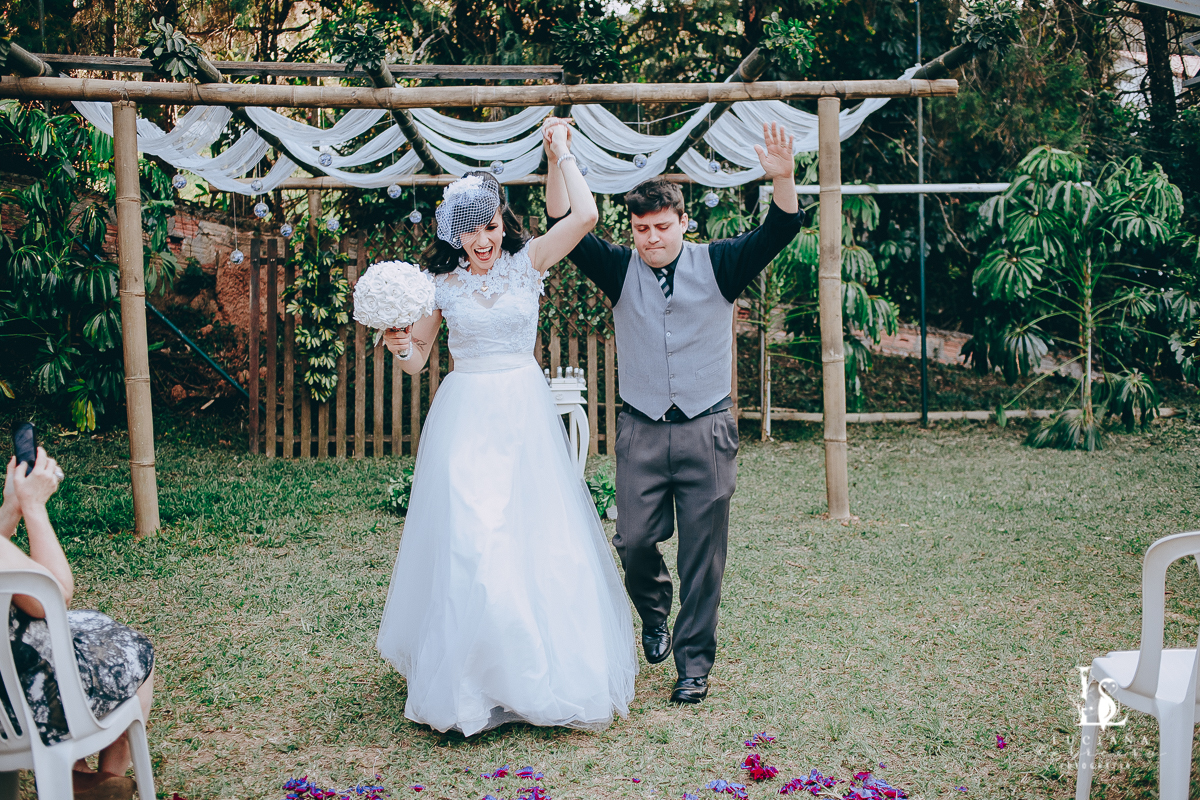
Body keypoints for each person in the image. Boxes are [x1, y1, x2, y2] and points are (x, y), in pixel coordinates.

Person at [375, 125, 637, 736]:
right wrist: (398, 344)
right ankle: (473, 684)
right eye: (470, 230)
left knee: (533, 537)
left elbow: (588, 212)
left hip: (523, 410)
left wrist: (561, 153)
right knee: (472, 538)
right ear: (452, 233)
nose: (483, 240)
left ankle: (535, 675)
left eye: (490, 225)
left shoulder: (530, 260)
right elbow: (418, 362)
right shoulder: (439, 287)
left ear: (502, 222)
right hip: (465, 415)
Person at [543, 119, 802, 704]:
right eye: (641, 229)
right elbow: (563, 223)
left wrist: (782, 179)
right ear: (630, 229)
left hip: (707, 428)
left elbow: (781, 228)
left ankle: (693, 666)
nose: (652, 238)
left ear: (684, 222)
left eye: (662, 227)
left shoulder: (722, 264)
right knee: (633, 541)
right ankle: (653, 613)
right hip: (641, 430)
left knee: (702, 557)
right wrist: (559, 158)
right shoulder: (616, 269)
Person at [0, 448, 155, 800]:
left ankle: (78, 775)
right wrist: (35, 507)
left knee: (90, 627)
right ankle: (98, 780)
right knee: (136, 650)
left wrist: (11, 507)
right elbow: (51, 595)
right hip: (23, 702)